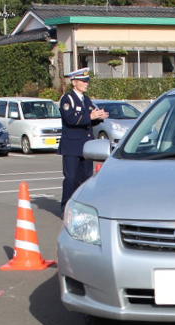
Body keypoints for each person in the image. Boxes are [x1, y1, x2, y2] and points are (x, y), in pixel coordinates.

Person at [58, 68, 108, 216]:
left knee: (86, 179)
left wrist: (99, 117)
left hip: (86, 146)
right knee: (71, 178)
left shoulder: (86, 100)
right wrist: (90, 117)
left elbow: (89, 120)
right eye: (83, 81)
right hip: (72, 145)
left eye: (87, 81)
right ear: (74, 82)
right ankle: (66, 208)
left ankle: (83, 208)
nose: (86, 84)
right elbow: (70, 119)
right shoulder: (67, 99)